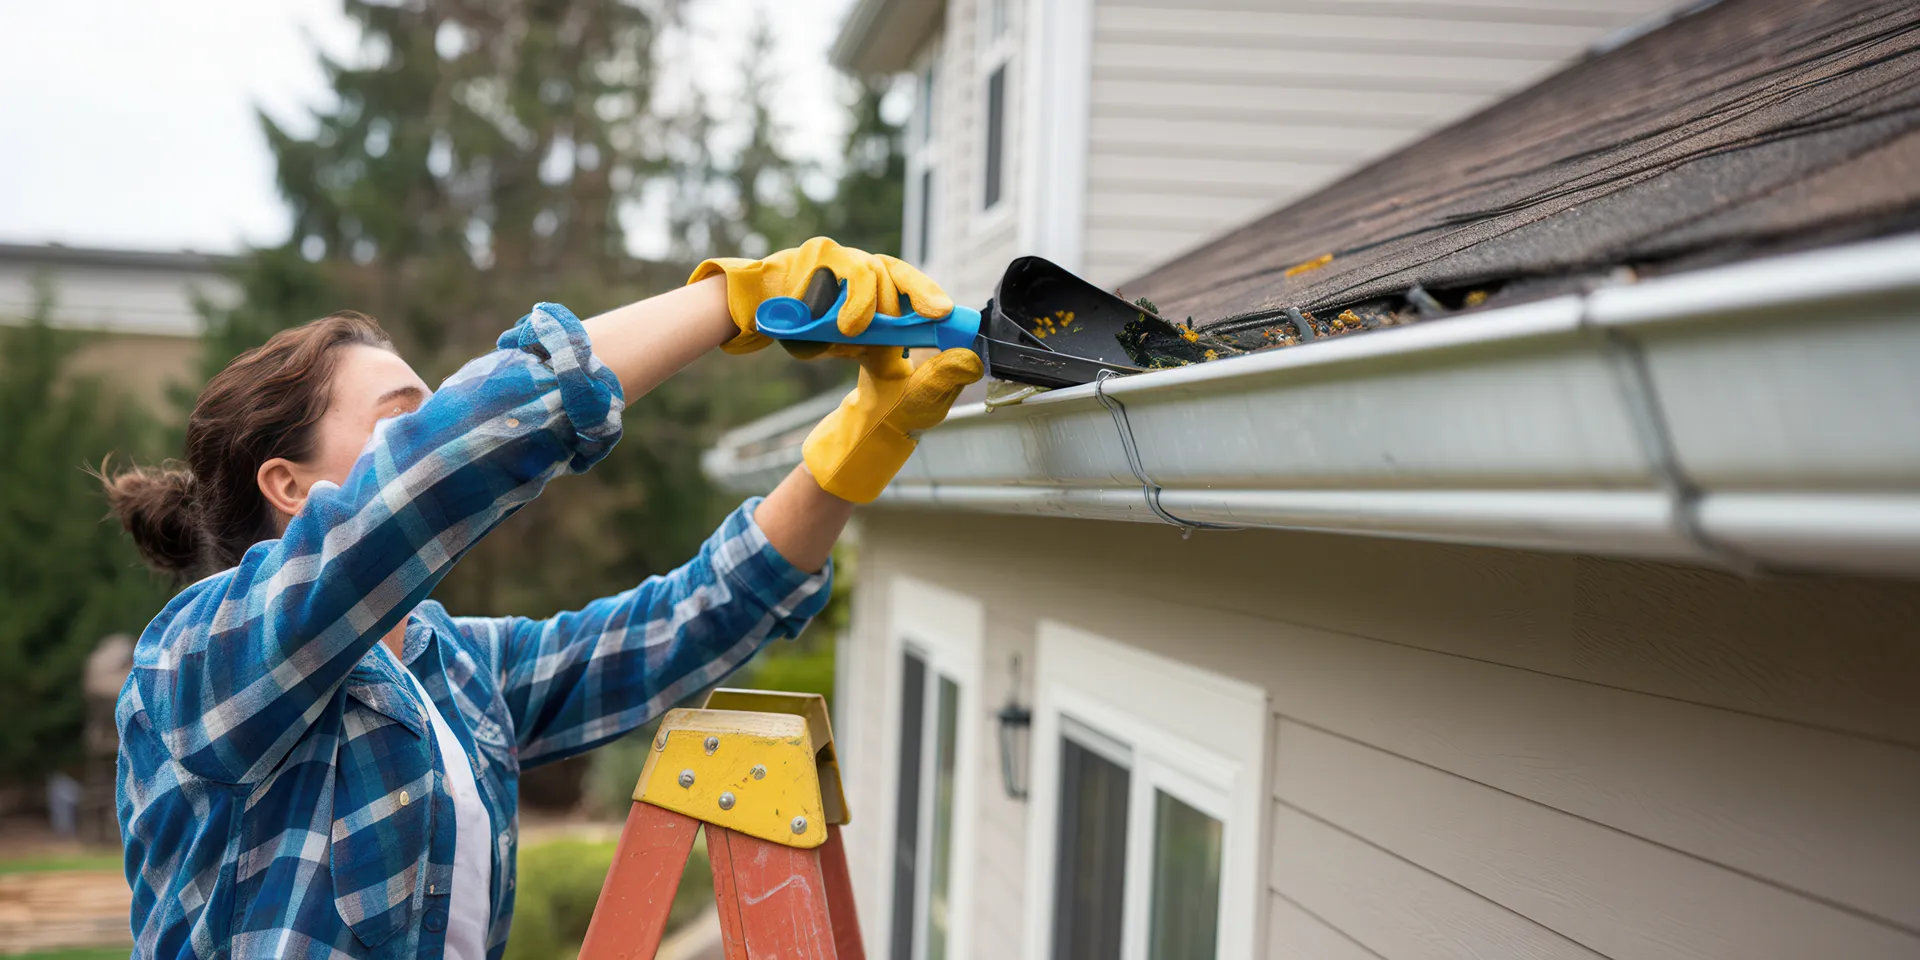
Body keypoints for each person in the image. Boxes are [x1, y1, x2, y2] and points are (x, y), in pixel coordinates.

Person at [100, 238, 982, 960]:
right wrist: (734, 298)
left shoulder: (449, 669)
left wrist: (852, 454)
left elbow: (679, 627)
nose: (428, 428)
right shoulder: (199, 658)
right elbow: (443, 465)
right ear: (289, 486)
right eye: (400, 418)